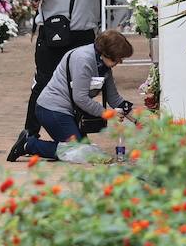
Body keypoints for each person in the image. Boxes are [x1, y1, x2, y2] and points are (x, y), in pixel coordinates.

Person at [14, 0, 120, 155]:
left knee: (81, 85)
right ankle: (30, 132)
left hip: (82, 34)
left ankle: (76, 129)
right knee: (43, 82)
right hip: (53, 33)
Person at [8, 30, 135, 162]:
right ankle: (29, 144)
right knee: (77, 152)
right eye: (118, 58)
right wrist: (108, 114)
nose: (120, 62)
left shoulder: (103, 65)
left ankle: (33, 144)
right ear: (106, 53)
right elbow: (80, 98)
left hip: (69, 112)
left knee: (85, 151)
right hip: (52, 109)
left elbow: (114, 99)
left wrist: (138, 119)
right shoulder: (83, 60)